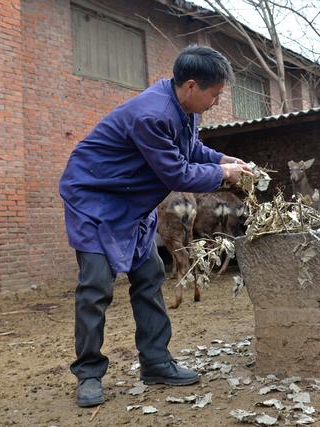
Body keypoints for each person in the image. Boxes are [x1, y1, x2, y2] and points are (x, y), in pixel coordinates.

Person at [59, 45, 252, 408]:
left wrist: (222, 158)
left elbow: (190, 149)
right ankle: (88, 373)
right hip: (94, 200)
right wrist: (224, 175)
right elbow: (177, 172)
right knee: (96, 286)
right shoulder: (152, 114)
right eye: (215, 94)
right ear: (192, 86)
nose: (216, 102)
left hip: (132, 202)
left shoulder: (184, 107)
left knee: (149, 274)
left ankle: (156, 363)